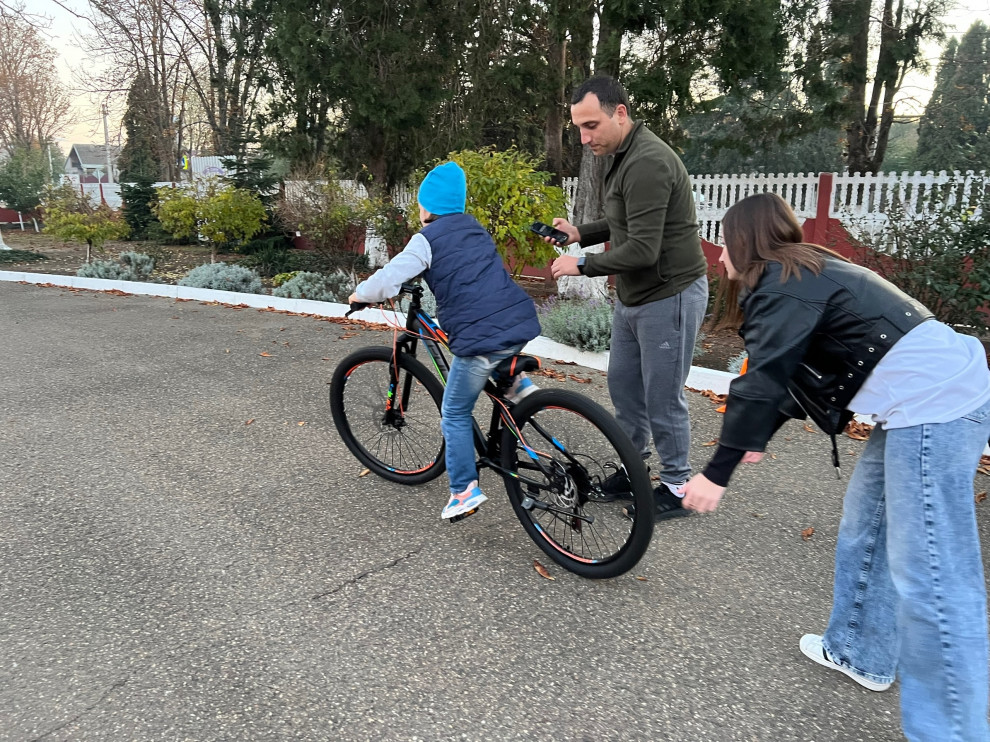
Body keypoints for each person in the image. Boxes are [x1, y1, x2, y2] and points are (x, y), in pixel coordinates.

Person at [680, 192, 990, 741]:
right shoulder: (806, 269)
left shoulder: (778, 282)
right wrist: (757, 438)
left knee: (936, 579)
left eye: (722, 241)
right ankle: (859, 651)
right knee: (867, 526)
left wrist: (716, 472)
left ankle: (953, 731)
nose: (718, 255)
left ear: (742, 241)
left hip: (937, 405)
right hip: (927, 398)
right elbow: (788, 380)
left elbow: (764, 379)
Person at [549, 75, 709, 521]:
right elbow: (623, 219)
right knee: (624, 386)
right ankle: (632, 468)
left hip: (669, 294)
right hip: (635, 297)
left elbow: (643, 249)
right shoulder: (620, 152)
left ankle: (677, 487)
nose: (584, 138)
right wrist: (582, 233)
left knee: (662, 396)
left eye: (591, 125)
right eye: (579, 128)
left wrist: (580, 264)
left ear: (621, 112)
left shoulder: (649, 161)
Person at [348, 161, 541, 520]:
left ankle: (463, 490)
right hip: (517, 322)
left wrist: (360, 295)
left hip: (480, 341)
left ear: (427, 206)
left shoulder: (426, 240)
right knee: (497, 346)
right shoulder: (475, 228)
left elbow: (390, 277)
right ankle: (516, 383)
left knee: (454, 411)